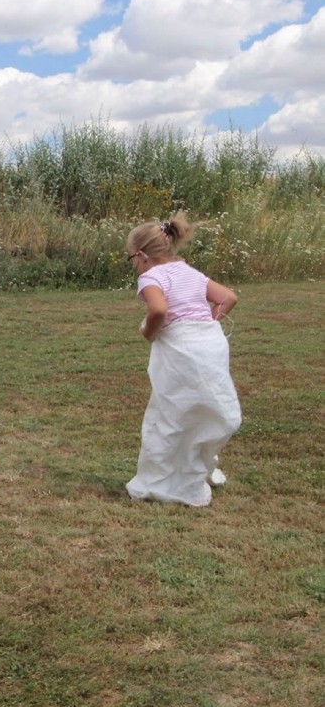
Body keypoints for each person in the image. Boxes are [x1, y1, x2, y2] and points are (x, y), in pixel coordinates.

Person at [124, 211, 242, 507]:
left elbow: (159, 311)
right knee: (204, 408)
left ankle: (163, 479)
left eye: (131, 260)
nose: (134, 266)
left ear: (140, 255)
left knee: (172, 412)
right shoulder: (191, 273)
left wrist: (148, 333)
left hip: (182, 350)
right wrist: (207, 323)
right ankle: (197, 465)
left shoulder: (150, 278)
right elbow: (228, 297)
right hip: (211, 346)